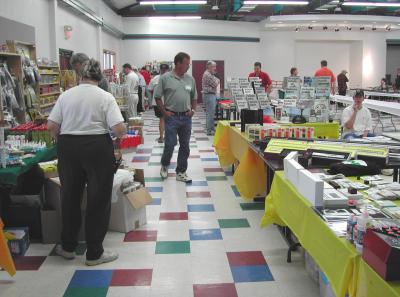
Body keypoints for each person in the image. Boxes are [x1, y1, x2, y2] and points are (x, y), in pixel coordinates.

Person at [47, 59, 126, 266]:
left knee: (70, 196)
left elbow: (51, 126)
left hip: (68, 147)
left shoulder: (66, 95)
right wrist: (116, 140)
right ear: (99, 78)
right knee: (98, 198)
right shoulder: (105, 96)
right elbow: (119, 129)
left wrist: (63, 138)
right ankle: (94, 252)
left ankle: (68, 247)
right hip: (97, 147)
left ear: (80, 76)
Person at [154, 52, 197, 183]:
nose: (188, 66)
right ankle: (165, 165)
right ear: (178, 63)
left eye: (189, 64)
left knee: (185, 146)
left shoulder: (190, 79)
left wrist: (193, 110)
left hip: (186, 117)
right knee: (170, 144)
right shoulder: (165, 78)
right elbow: (157, 96)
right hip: (171, 116)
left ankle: (181, 171)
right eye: (186, 64)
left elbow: (194, 97)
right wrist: (164, 112)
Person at [148, 63, 170, 143]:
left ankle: (161, 137)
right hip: (167, 102)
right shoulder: (172, 78)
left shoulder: (155, 79)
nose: (163, 71)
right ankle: (165, 137)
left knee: (162, 120)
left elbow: (150, 89)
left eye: (164, 69)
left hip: (158, 102)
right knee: (167, 120)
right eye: (163, 69)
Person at [202, 61, 220, 136]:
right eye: (213, 67)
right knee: (210, 113)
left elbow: (216, 80)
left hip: (210, 95)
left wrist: (216, 79)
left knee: (211, 113)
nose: (215, 68)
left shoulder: (210, 74)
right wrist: (217, 80)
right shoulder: (208, 75)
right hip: (209, 95)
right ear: (209, 67)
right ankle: (209, 130)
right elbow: (215, 83)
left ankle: (211, 128)